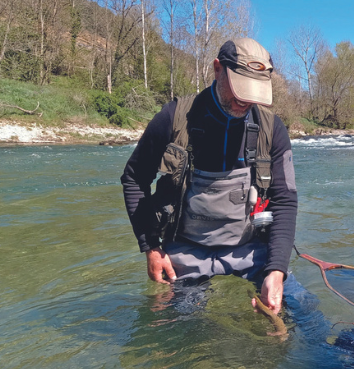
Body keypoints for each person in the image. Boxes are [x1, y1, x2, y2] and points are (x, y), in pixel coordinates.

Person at [121, 38, 298, 315]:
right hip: (185, 252)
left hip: (250, 252)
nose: (246, 101)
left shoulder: (272, 129)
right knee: (177, 335)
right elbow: (134, 179)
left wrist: (277, 270)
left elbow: (285, 200)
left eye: (254, 94)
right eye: (240, 90)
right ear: (217, 69)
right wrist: (151, 248)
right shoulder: (173, 118)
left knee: (295, 318)